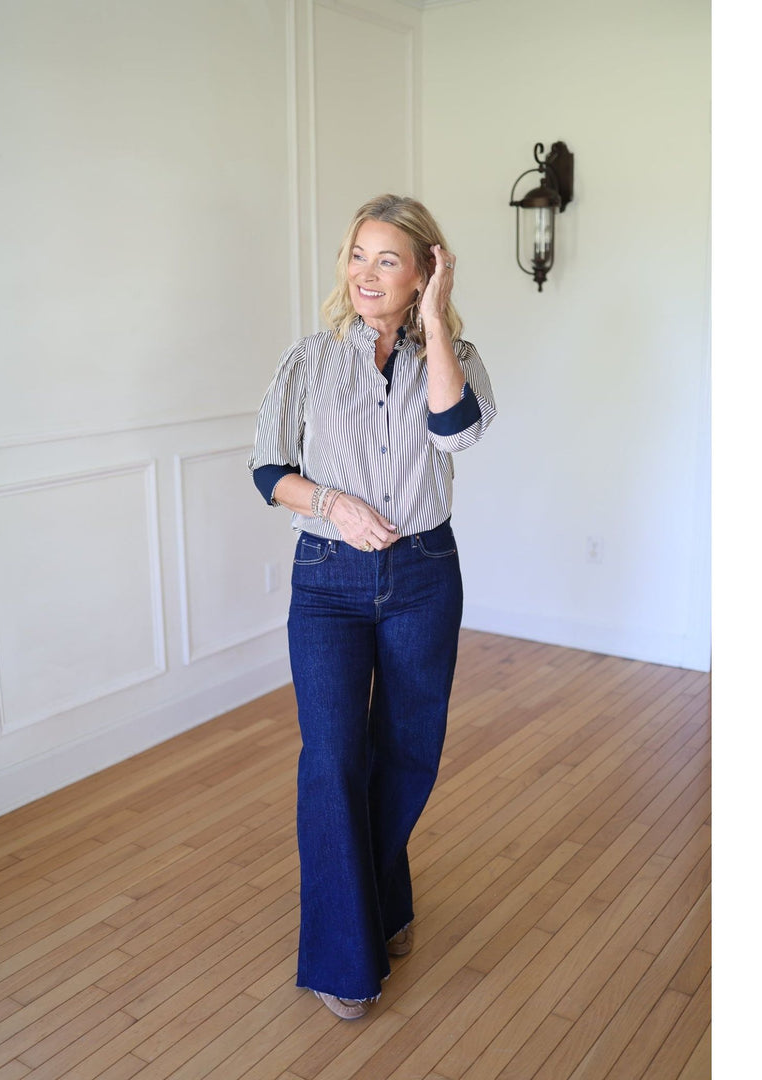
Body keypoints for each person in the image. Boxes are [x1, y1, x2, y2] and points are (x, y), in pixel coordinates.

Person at [248, 193, 496, 1019]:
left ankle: (384, 893)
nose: (365, 273)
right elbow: (266, 471)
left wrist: (432, 325)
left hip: (424, 575)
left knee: (408, 752)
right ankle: (342, 957)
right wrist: (331, 504)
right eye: (358, 254)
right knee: (330, 759)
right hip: (327, 580)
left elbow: (456, 430)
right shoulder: (309, 360)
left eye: (389, 259)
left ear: (425, 271)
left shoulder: (454, 354)